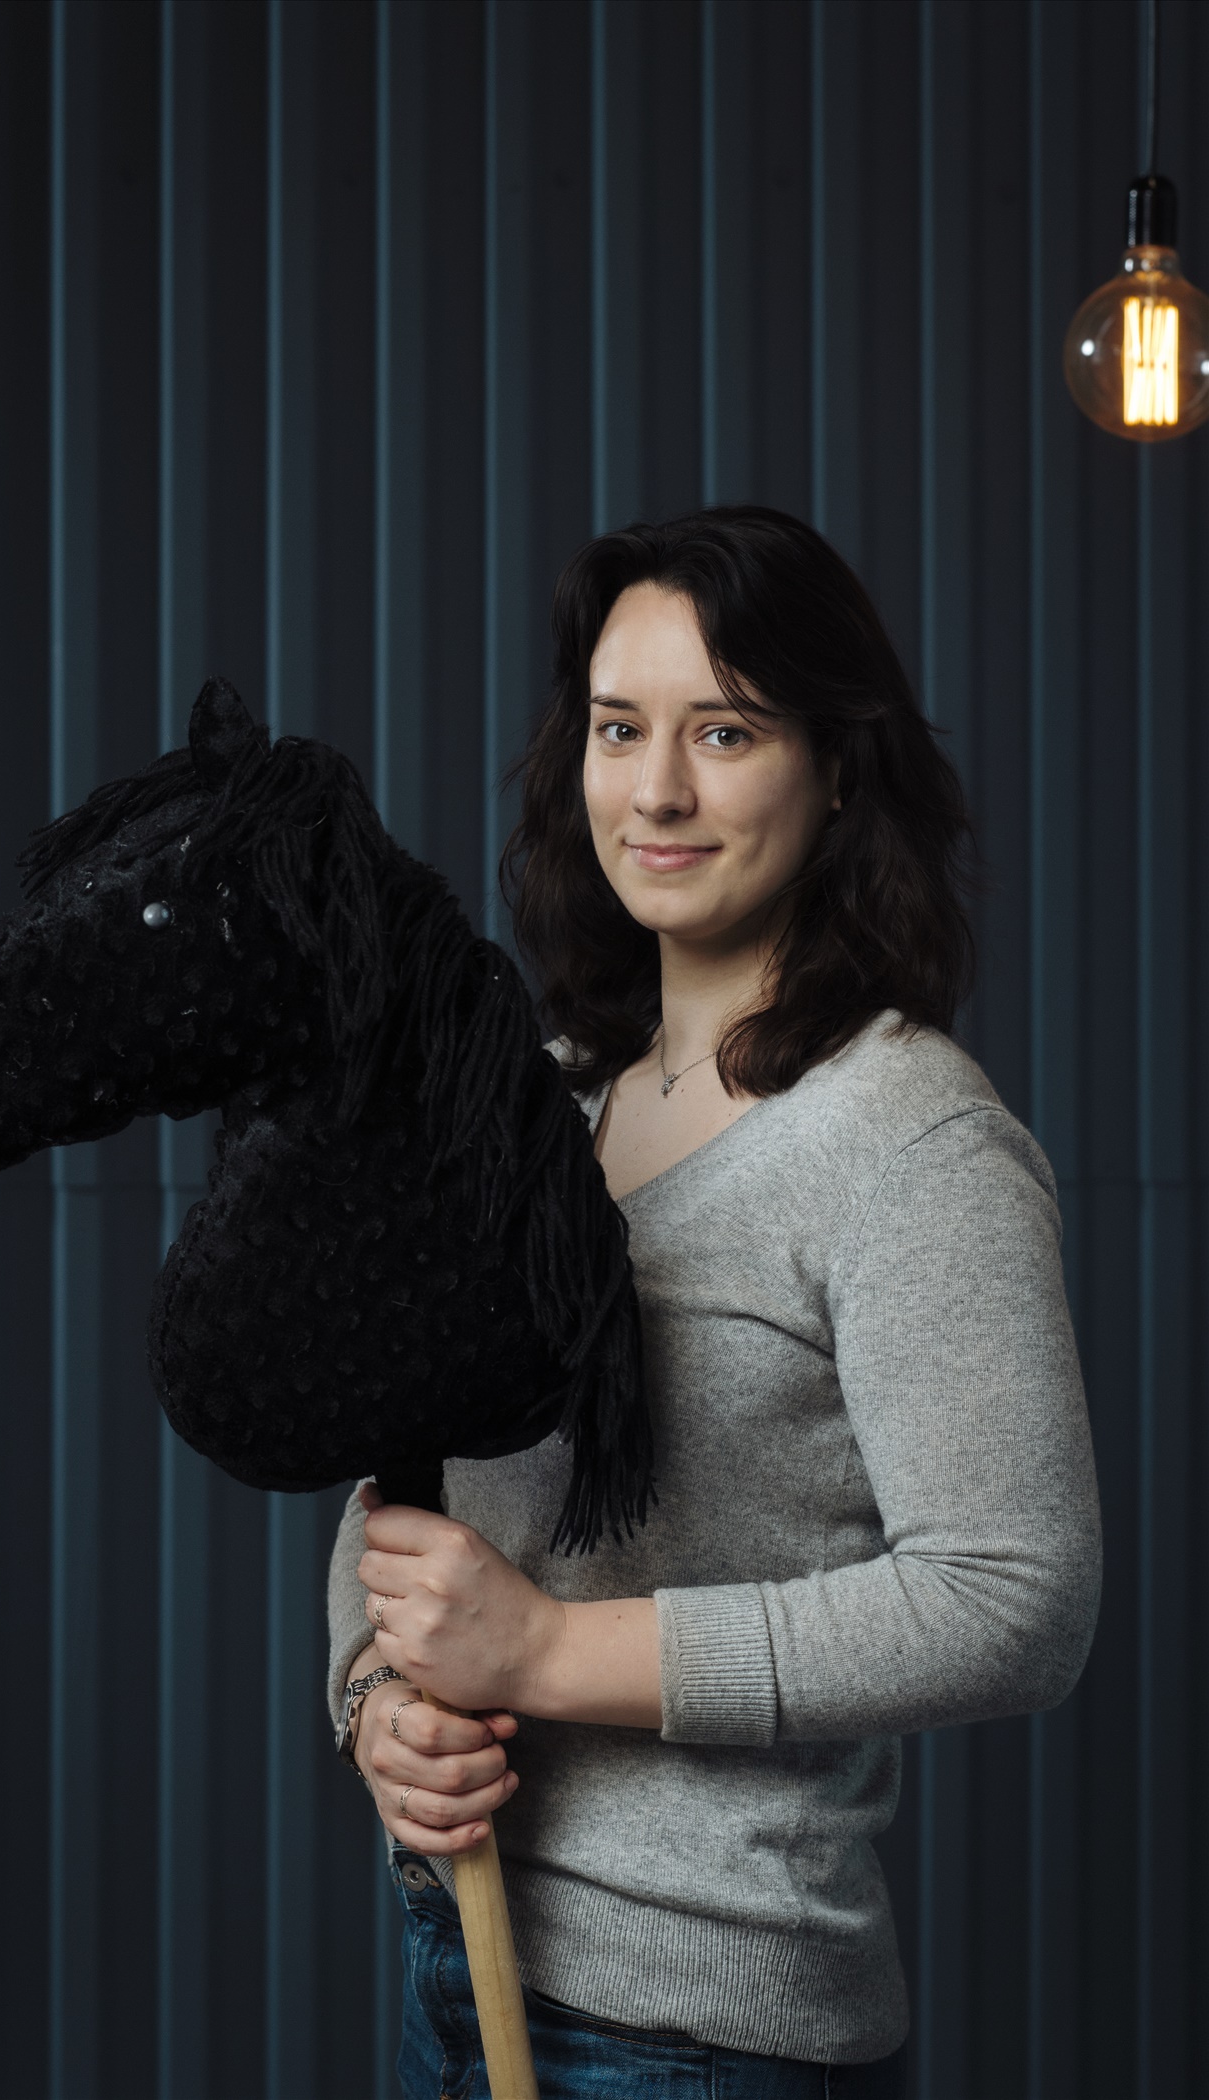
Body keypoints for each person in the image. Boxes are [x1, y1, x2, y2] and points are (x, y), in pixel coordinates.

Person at [325, 506, 1101, 2099]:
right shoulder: (539, 1104)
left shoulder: (908, 1139)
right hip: (453, 1971)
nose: (657, 791)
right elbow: (402, 1485)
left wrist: (548, 1654)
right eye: (620, 729)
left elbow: (1016, 1601)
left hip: (698, 2038)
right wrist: (375, 1701)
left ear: (838, 769)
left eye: (726, 731)